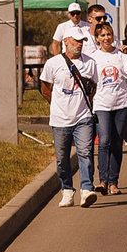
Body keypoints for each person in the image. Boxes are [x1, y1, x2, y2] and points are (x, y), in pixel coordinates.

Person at [40, 31, 99, 207]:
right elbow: (44, 87)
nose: (79, 44)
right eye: (76, 40)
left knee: (86, 152)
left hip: (83, 117)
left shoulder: (90, 63)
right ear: (66, 41)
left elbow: (93, 86)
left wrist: (86, 104)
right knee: (62, 158)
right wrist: (56, 104)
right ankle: (67, 189)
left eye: (82, 41)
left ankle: (87, 189)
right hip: (60, 120)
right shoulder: (53, 63)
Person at [87, 20, 127, 195]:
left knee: (117, 143)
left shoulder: (121, 55)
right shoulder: (93, 58)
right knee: (104, 141)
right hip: (102, 104)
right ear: (97, 39)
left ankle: (113, 182)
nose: (106, 38)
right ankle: (102, 180)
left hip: (122, 104)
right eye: (102, 35)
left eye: (109, 34)